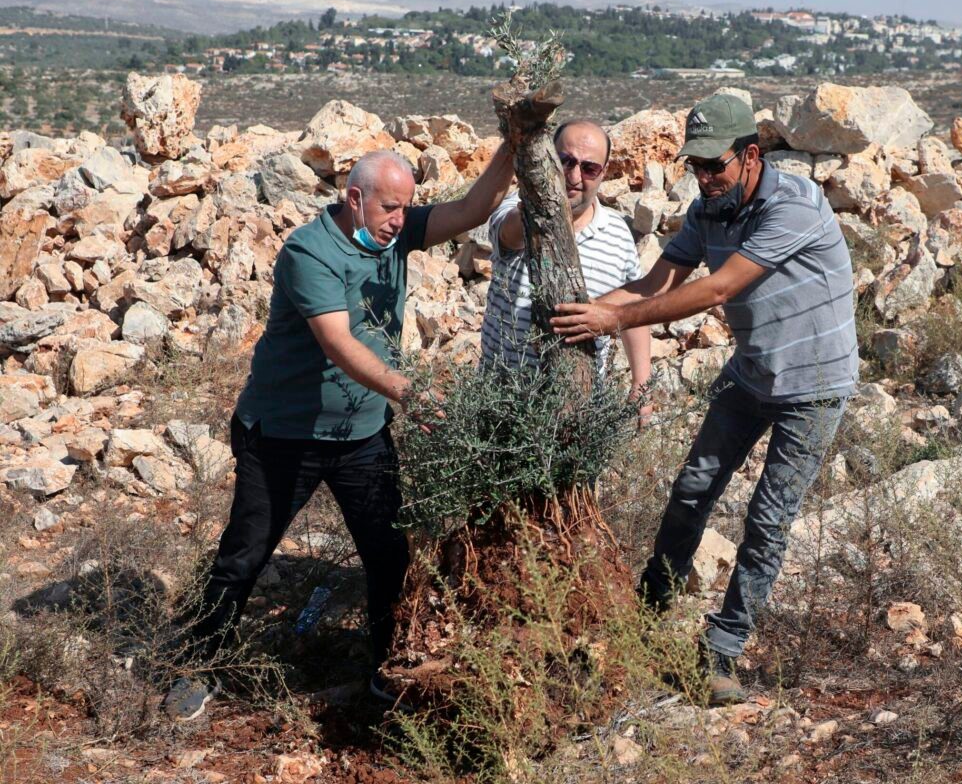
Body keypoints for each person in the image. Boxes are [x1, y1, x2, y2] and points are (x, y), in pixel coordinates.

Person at [165, 145, 514, 720]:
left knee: (389, 556)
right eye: (390, 207)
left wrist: (514, 141)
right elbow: (340, 343)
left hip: (361, 437)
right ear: (355, 199)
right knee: (243, 556)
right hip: (283, 435)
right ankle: (199, 666)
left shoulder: (396, 234)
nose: (401, 220)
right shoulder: (309, 252)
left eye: (406, 208)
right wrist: (411, 391)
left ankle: (385, 671)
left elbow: (476, 207)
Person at [550, 94, 858, 706]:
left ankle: (723, 650)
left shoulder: (794, 205)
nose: (704, 177)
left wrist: (617, 320)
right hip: (750, 374)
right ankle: (646, 615)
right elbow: (657, 281)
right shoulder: (707, 209)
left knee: (768, 520)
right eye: (694, 166)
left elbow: (716, 288)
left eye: (714, 164)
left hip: (814, 386)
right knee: (692, 488)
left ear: (749, 155)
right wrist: (589, 309)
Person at [482, 119, 651, 420]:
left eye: (589, 168)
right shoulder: (515, 211)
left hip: (579, 416)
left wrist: (641, 383)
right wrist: (538, 208)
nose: (574, 176)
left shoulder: (617, 234)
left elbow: (634, 307)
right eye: (566, 161)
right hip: (500, 406)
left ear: (604, 172)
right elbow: (508, 234)